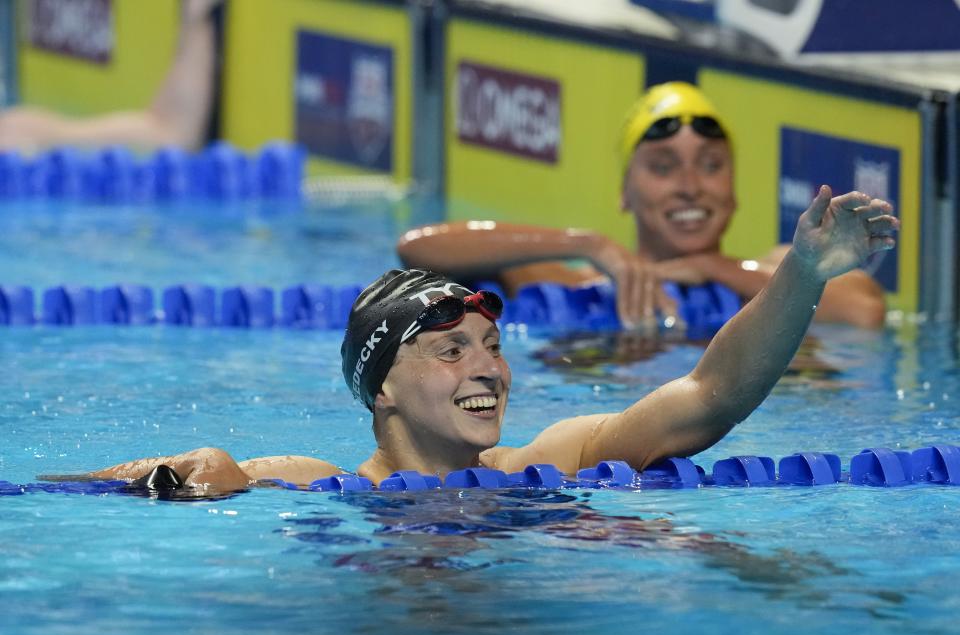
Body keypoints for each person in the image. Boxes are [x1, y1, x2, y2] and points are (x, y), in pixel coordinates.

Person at [80, 185, 897, 492]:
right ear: (383, 388)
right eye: (451, 349)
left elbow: (712, 395)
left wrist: (803, 275)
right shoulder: (314, 483)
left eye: (493, 345)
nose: (489, 369)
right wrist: (192, 475)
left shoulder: (552, 459)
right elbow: (207, 476)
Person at [396, 82, 888, 330]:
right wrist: (585, 243)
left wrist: (711, 267)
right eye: (663, 166)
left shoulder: (773, 271)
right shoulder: (573, 282)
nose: (691, 186)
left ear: (735, 190)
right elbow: (418, 249)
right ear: (625, 193)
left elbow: (865, 310)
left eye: (711, 165)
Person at [0, 0, 222, 153]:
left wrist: (195, 18)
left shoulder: (15, 137)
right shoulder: (15, 140)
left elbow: (171, 135)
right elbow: (172, 135)